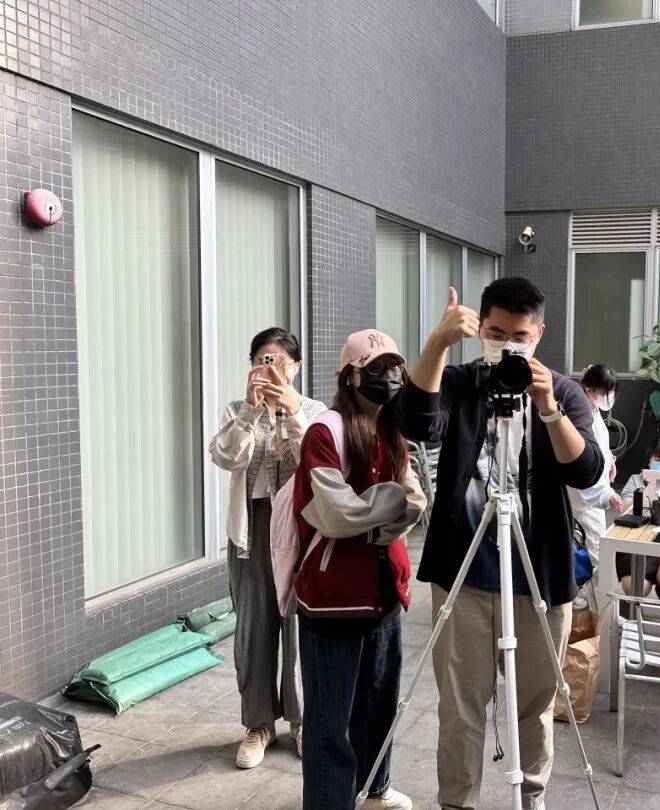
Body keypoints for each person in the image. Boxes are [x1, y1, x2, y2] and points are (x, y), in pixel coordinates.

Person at [397, 277, 604, 810]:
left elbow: (586, 471)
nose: (507, 346)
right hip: (463, 575)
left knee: (535, 706)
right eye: (495, 333)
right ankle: (456, 803)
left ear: (539, 334)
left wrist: (549, 407)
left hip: (540, 577)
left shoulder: (563, 390)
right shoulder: (460, 381)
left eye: (519, 337)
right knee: (459, 708)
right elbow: (415, 422)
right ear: (479, 330)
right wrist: (438, 343)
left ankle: (531, 798)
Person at [292, 329, 426, 810]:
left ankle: (375, 790)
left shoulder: (392, 429)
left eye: (394, 367)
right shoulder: (324, 432)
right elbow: (334, 513)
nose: (389, 377)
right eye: (375, 368)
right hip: (333, 599)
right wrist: (387, 511)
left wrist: (375, 514)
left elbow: (416, 500)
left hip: (385, 592)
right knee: (330, 722)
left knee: (379, 705)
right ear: (350, 376)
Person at [209, 327, 325, 770]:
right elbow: (225, 457)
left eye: (279, 361)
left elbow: (318, 460)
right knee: (253, 630)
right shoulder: (237, 410)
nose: (270, 368)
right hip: (253, 530)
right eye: (262, 360)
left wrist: (291, 411)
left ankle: (301, 719)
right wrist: (251, 412)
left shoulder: (314, 411)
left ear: (296, 367)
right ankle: (258, 724)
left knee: (298, 627)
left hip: (299, 530)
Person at [566, 363, 623, 604]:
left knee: (592, 553)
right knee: (599, 555)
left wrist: (610, 460)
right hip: (587, 495)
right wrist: (606, 494)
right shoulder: (579, 414)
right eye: (603, 392)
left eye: (611, 392)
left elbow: (599, 446)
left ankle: (593, 606)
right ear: (588, 390)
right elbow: (583, 462)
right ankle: (605, 615)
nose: (608, 397)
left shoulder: (592, 409)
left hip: (592, 491)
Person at [616, 437, 660, 597]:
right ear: (649, 460)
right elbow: (623, 510)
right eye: (658, 460)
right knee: (635, 588)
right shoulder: (636, 480)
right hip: (638, 542)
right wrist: (645, 493)